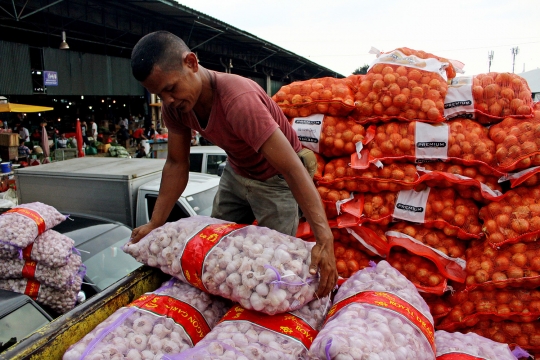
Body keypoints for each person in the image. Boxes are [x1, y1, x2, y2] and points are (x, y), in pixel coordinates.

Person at [129, 31, 337, 297]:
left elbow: (292, 169)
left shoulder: (239, 100)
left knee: (276, 266)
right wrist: (155, 222)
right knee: (217, 245)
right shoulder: (175, 107)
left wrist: (324, 239)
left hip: (275, 179)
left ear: (191, 62)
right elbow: (176, 164)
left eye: (170, 88)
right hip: (236, 171)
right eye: (159, 94)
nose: (167, 100)